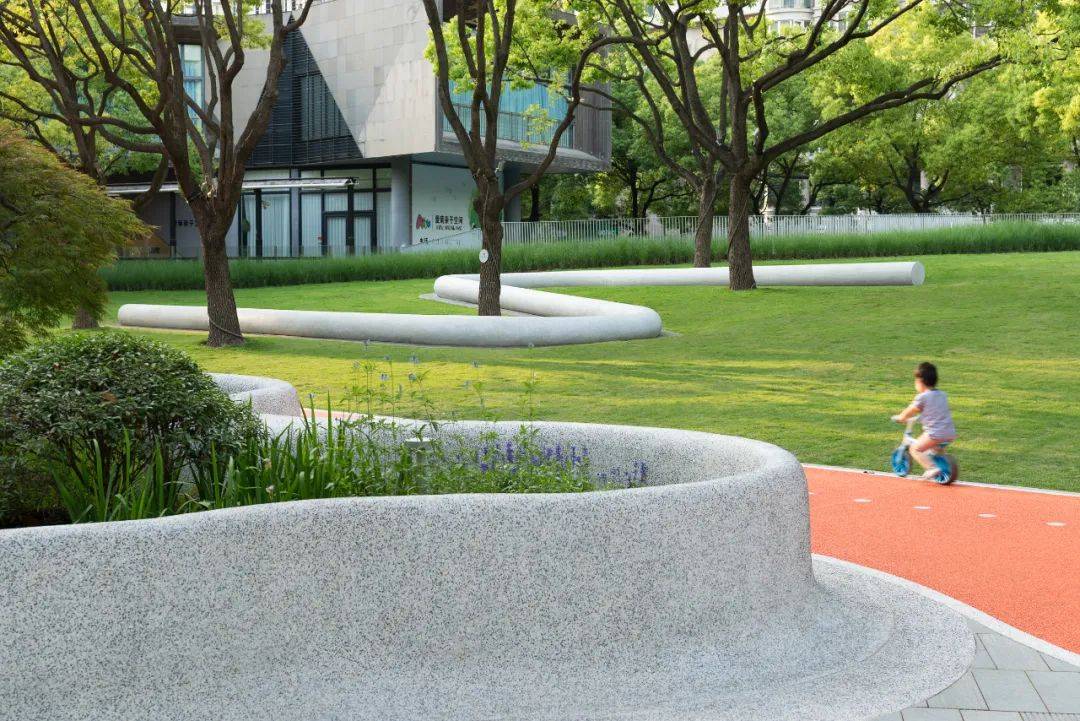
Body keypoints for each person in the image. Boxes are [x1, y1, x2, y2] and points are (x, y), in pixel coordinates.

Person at [892, 362, 957, 479]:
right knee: (934, 450)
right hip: (949, 433)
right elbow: (936, 411)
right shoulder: (942, 394)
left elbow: (911, 410)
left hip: (935, 433)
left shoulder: (922, 397)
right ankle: (943, 466)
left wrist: (902, 417)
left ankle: (932, 467)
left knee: (914, 449)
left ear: (920, 381)